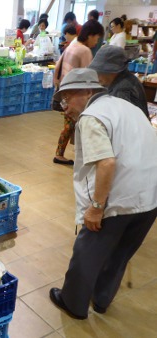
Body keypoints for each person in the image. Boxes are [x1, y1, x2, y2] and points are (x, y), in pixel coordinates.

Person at [49, 68, 157, 320]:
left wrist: (97, 206)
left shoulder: (91, 117)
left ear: (88, 91)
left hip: (117, 199)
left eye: (68, 98)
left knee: (87, 250)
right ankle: (101, 300)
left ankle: (73, 303)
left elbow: (106, 163)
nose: (65, 107)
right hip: (150, 197)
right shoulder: (127, 106)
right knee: (120, 254)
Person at [53, 20, 104, 165]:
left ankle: (60, 154)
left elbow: (58, 66)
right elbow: (90, 76)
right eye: (96, 38)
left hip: (65, 91)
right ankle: (66, 155)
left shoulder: (72, 46)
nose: (96, 41)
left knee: (70, 125)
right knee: (76, 126)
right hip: (77, 96)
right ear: (89, 35)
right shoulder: (85, 51)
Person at [89, 45, 149, 118]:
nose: (97, 76)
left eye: (101, 71)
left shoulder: (122, 89)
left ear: (113, 70)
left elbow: (120, 121)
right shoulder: (126, 79)